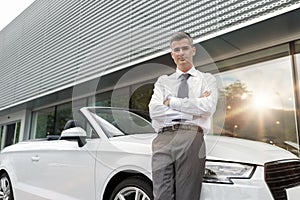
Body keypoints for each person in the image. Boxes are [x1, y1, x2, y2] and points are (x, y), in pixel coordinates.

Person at [149, 31, 218, 200]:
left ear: (193, 50)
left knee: (187, 195)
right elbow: (154, 110)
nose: (181, 53)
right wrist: (193, 108)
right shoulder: (163, 81)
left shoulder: (207, 79)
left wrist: (172, 102)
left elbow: (208, 107)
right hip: (163, 138)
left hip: (191, 137)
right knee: (161, 195)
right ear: (172, 54)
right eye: (176, 50)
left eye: (185, 48)